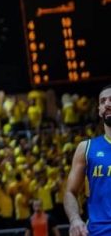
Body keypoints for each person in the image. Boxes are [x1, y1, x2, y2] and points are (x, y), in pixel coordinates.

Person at [65, 84, 111, 236]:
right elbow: (70, 192)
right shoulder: (86, 148)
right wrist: (75, 219)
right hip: (98, 231)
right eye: (103, 101)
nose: (107, 104)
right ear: (99, 110)